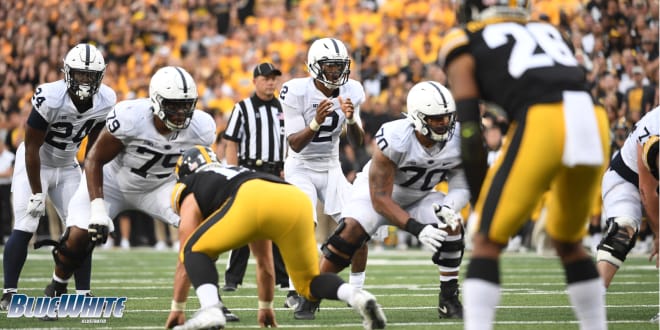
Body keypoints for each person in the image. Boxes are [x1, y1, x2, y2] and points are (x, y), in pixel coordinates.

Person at [439, 1, 610, 329]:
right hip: (592, 116)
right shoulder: (550, 31)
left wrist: (479, 200)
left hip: (543, 118)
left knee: (487, 239)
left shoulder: (462, 39)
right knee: (568, 241)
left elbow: (471, 130)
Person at [35, 65, 236, 321]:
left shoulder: (202, 127)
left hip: (161, 186)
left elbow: (200, 170)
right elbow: (94, 159)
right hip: (112, 182)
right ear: (156, 101)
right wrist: (98, 207)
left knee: (203, 230)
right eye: (173, 105)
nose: (180, 112)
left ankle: (211, 300)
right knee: (78, 236)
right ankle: (56, 288)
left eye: (186, 105)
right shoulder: (130, 116)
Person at [165, 146, 386, 330]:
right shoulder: (236, 171)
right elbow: (265, 264)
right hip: (293, 199)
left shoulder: (190, 184)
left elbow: (186, 254)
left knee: (193, 250)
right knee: (308, 284)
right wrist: (265, 306)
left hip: (250, 198)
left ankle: (211, 308)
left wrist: (177, 308)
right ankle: (357, 296)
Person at [318, 81, 470, 319]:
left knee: (452, 226)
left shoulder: (460, 139)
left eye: (447, 117)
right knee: (349, 234)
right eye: (436, 118)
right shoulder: (395, 137)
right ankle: (311, 295)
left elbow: (461, 185)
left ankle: (448, 299)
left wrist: (448, 208)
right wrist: (416, 229)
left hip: (421, 196)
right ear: (418, 117)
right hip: (375, 193)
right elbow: (380, 199)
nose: (444, 123)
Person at [1, 43, 115, 309]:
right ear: (67, 72)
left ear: (100, 76)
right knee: (26, 223)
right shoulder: (50, 96)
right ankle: (8, 293)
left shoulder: (106, 100)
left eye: (90, 75)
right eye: (79, 74)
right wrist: (37, 192)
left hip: (67, 165)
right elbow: (31, 147)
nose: (85, 80)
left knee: (83, 228)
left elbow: (95, 153)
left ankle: (83, 294)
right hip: (35, 163)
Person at [279, 37, 368, 319]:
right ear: (315, 67)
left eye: (339, 66)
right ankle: (296, 290)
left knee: (360, 225)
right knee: (303, 224)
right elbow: (294, 143)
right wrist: (315, 122)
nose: (334, 72)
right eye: (329, 66)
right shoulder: (295, 91)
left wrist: (352, 120)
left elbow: (359, 142)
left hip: (331, 165)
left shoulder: (353, 89)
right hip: (300, 166)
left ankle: (357, 291)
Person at [221, 62, 290, 293]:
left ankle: (282, 278)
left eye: (274, 78)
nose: (271, 82)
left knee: (278, 225)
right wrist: (234, 172)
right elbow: (231, 141)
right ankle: (233, 279)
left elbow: (288, 142)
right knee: (243, 225)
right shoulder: (242, 108)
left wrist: (286, 166)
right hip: (249, 170)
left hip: (275, 171)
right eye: (266, 78)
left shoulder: (283, 108)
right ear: (255, 81)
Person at [597, 106, 659, 288]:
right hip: (626, 180)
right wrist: (658, 233)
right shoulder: (654, 127)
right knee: (623, 231)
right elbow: (648, 189)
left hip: (650, 184)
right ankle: (595, 295)